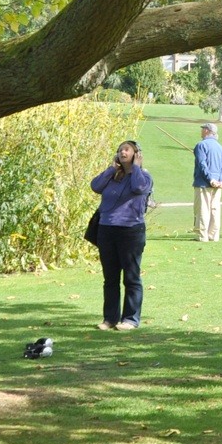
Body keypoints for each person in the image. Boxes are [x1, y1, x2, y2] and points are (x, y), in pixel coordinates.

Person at [90, 140, 152, 331]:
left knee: (131, 277)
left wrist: (135, 168)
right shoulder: (112, 176)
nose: (122, 152)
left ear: (136, 154)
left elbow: (139, 188)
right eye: (120, 150)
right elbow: (95, 186)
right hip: (107, 229)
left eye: (126, 149)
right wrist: (111, 169)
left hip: (130, 231)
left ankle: (131, 319)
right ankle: (110, 319)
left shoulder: (144, 176)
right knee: (110, 278)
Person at [192, 123, 222, 242]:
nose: (201, 131)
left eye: (203, 129)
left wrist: (210, 179)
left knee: (203, 209)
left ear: (207, 131)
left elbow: (202, 165)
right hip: (217, 184)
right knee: (215, 210)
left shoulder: (201, 145)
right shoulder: (221, 147)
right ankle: (213, 235)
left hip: (203, 183)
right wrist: (220, 181)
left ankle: (202, 236)